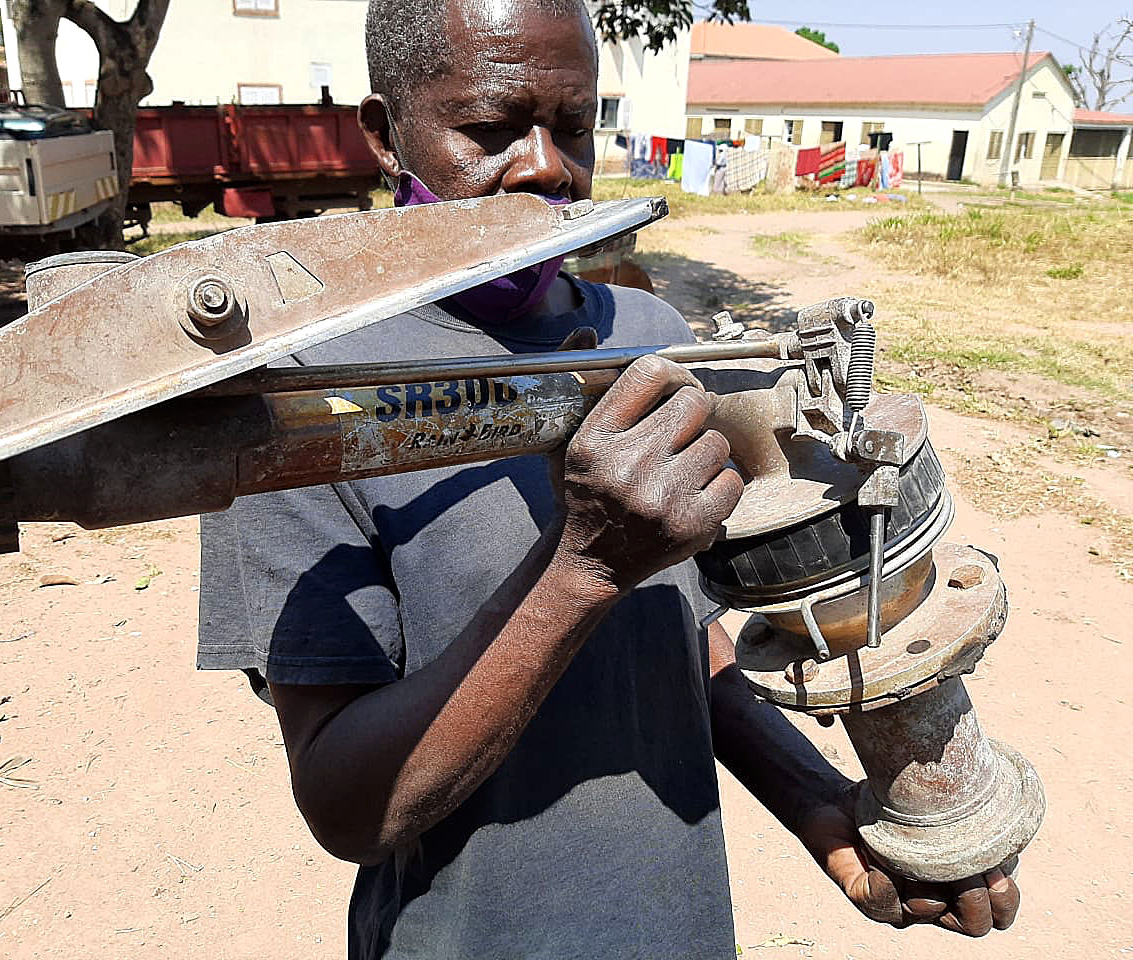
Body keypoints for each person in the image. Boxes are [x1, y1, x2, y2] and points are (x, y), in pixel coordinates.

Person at [197, 0, 1022, 955]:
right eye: (492, 128)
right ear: (386, 136)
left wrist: (816, 804)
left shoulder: (651, 338)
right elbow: (348, 809)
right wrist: (584, 567)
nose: (548, 167)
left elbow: (681, 635)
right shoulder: (305, 403)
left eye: (575, 126)